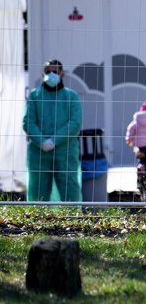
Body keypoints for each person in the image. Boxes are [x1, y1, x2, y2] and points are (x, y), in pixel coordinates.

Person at [23, 59, 83, 201]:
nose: (51, 74)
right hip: (39, 152)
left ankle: (73, 220)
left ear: (62, 74)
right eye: (48, 71)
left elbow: (75, 123)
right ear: (43, 73)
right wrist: (42, 141)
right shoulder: (34, 95)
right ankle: (36, 221)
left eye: (55, 72)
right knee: (38, 190)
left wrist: (54, 140)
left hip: (65, 151)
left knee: (70, 188)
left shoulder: (71, 96)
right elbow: (28, 122)